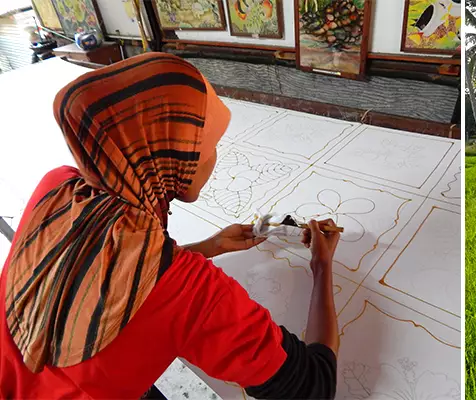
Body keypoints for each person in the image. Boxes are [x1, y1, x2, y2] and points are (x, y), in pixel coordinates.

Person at [0, 52, 340, 399]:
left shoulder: (58, 187)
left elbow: (97, 274)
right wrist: (323, 265)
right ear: (169, 153)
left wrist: (210, 247)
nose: (212, 157)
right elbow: (314, 386)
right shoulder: (189, 291)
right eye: (203, 144)